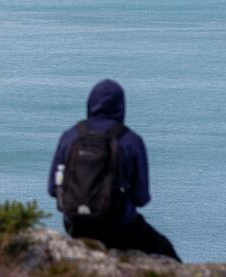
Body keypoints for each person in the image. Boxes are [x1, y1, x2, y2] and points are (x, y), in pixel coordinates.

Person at [48, 79, 179, 260]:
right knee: (166, 251)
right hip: (118, 229)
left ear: (90, 103)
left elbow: (53, 189)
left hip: (75, 226)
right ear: (121, 106)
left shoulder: (70, 136)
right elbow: (141, 198)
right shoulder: (131, 140)